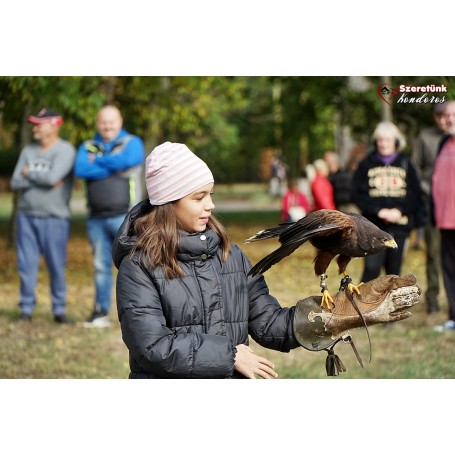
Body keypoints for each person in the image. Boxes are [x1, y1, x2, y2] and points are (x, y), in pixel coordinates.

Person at [112, 141, 421, 379]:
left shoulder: (229, 257)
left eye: (210, 194)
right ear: (168, 201)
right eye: (198, 197)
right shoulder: (138, 266)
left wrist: (337, 316)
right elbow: (151, 347)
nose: (211, 204)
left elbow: (270, 324)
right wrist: (230, 355)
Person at [74, 105, 145, 328]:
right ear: (98, 123)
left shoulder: (132, 143)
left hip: (126, 217)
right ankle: (100, 312)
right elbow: (81, 169)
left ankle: (139, 314)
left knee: (135, 265)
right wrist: (112, 165)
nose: (107, 126)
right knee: (100, 266)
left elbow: (128, 161)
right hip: (95, 218)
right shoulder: (87, 146)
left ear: (120, 121)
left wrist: (100, 161)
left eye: (111, 121)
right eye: (103, 122)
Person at [10, 108, 76, 323]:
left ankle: (58, 309)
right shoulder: (28, 150)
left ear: (55, 124)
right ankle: (26, 309)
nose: (35, 127)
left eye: (39, 123)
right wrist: (43, 179)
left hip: (54, 217)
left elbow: (54, 177)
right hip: (26, 215)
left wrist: (30, 174)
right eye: (34, 123)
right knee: (26, 264)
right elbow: (15, 182)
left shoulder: (65, 150)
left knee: (56, 264)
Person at [351, 121, 422, 283]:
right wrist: (378, 211)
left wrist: (399, 210)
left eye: (387, 140)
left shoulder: (406, 163)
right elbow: (356, 194)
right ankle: (362, 306)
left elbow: (415, 194)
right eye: (380, 140)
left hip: (400, 227)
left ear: (396, 141)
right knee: (371, 269)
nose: (383, 144)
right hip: (373, 227)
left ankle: (391, 307)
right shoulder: (366, 164)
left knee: (394, 272)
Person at [411, 102, 447, 314]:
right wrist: (427, 189)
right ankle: (432, 300)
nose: (444, 119)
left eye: (448, 115)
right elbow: (415, 168)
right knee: (434, 253)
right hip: (432, 204)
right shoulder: (425, 137)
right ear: (435, 117)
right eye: (440, 115)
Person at [432, 101, 455, 332]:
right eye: (446, 115)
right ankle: (453, 316)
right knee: (449, 269)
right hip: (446, 220)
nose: (448, 119)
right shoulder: (443, 143)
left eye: (453, 114)